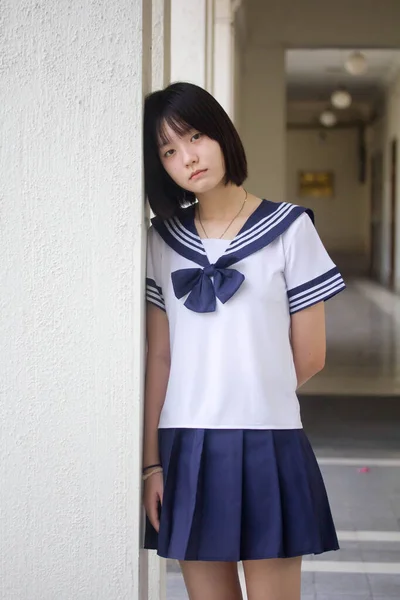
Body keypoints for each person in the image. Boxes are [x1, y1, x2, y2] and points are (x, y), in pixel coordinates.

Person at [142, 81, 345, 600]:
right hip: (185, 445)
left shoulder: (290, 228)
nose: (187, 158)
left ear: (222, 135)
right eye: (168, 150)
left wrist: (251, 389)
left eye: (195, 137)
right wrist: (151, 464)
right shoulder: (160, 241)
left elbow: (313, 354)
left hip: (268, 441)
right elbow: (159, 357)